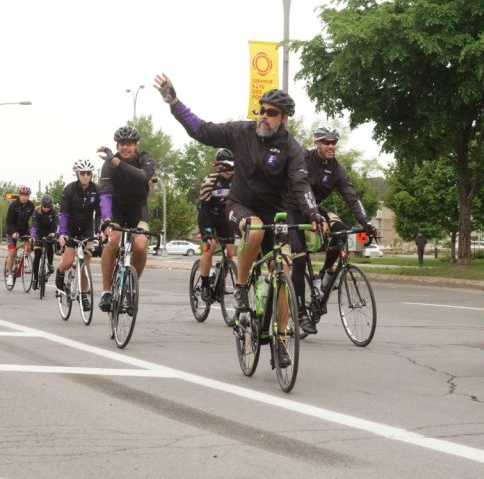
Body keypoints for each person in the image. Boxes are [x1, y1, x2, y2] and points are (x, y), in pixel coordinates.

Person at [155, 73, 320, 368]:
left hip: (276, 214)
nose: (263, 117)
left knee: (283, 273)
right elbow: (202, 130)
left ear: (284, 118)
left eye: (271, 113)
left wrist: (313, 213)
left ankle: (280, 338)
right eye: (261, 109)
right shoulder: (241, 132)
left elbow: (301, 183)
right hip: (240, 206)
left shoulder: (292, 149)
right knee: (253, 230)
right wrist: (174, 102)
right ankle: (241, 287)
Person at [286, 126, 377, 334]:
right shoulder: (304, 158)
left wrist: (365, 223)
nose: (330, 146)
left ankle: (326, 274)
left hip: (315, 208)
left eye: (334, 142)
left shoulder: (336, 168)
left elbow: (350, 195)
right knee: (299, 259)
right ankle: (300, 313)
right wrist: (312, 215)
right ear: (317, 143)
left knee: (342, 233)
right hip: (292, 208)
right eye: (326, 142)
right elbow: (301, 189)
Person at [96, 126, 156, 313]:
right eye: (122, 144)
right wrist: (106, 219)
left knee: (140, 245)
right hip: (116, 208)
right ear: (117, 145)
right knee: (112, 241)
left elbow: (143, 176)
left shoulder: (145, 158)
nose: (125, 147)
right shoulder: (108, 165)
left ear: (136, 145)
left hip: (138, 208)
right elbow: (105, 194)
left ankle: (131, 285)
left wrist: (115, 161)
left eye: (129, 144)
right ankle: (106, 291)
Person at [55, 159, 101, 312]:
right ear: (77, 174)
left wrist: (99, 230)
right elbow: (64, 214)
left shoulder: (96, 190)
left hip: (87, 230)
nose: (86, 176)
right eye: (83, 173)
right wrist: (62, 233)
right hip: (71, 230)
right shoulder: (69, 189)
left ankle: (84, 295)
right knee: (68, 261)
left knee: (85, 265)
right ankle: (60, 273)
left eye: (89, 173)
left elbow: (99, 213)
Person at [197, 148, 235, 302]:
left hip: (225, 219)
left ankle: (219, 280)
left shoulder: (238, 180)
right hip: (209, 217)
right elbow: (203, 208)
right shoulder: (210, 180)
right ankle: (205, 284)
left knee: (230, 254)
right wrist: (206, 232)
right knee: (210, 247)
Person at [5, 185, 35, 288]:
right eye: (22, 195)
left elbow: (35, 219)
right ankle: (9, 275)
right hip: (12, 231)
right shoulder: (13, 206)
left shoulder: (31, 206)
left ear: (28, 196)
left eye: (26, 195)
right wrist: (13, 232)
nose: (24, 197)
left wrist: (34, 232)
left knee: (32, 245)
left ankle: (22, 256)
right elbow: (8, 221)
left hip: (24, 231)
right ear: (19, 195)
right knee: (12, 252)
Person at [30, 194, 58, 290]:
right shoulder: (36, 212)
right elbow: (34, 225)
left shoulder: (54, 212)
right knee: (37, 254)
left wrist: (53, 233)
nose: (46, 208)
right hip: (38, 234)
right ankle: (35, 279)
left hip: (49, 233)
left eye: (48, 207)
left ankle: (50, 264)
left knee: (50, 245)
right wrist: (33, 236)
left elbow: (55, 224)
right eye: (44, 206)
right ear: (41, 205)